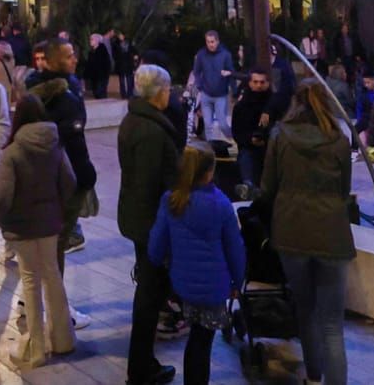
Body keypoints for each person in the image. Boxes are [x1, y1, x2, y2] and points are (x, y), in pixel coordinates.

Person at [259, 78, 355, 385]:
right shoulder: (339, 139)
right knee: (332, 324)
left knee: (307, 310)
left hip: (291, 231)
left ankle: (313, 377)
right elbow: (344, 190)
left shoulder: (280, 136)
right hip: (332, 234)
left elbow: (268, 187)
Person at [148, 144, 246, 385]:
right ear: (210, 172)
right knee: (202, 342)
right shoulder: (221, 204)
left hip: (183, 284)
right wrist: (237, 280)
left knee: (195, 338)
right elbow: (235, 249)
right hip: (214, 287)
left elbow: (155, 248)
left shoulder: (171, 200)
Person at [0, 94, 77, 370]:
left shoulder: (13, 152)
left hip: (22, 226)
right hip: (50, 223)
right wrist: (59, 210)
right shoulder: (55, 144)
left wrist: (1, 220)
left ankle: (37, 348)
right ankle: (63, 340)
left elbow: (3, 196)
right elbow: (70, 181)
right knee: (52, 275)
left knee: (30, 281)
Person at [118, 64, 181, 385]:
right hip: (150, 225)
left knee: (149, 291)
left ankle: (142, 363)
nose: (171, 95)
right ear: (158, 93)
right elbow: (150, 186)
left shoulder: (135, 120)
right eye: (169, 90)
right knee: (149, 295)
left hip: (138, 219)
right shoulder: (151, 132)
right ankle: (141, 367)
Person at [30, 40, 96, 269]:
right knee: (55, 241)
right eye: (68, 56)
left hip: (59, 174)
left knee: (53, 241)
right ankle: (51, 296)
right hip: (62, 175)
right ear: (52, 61)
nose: (75, 59)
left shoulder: (67, 87)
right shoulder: (58, 96)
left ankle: (43, 293)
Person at [229, 68, 279, 191]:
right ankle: (248, 186)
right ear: (250, 83)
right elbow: (237, 133)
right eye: (255, 82)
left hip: (272, 149)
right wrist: (251, 140)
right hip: (249, 148)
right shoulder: (241, 107)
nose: (259, 85)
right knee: (246, 158)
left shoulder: (275, 105)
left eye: (262, 82)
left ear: (267, 83)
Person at [190, 31, 234, 143]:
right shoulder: (201, 54)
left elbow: (231, 73)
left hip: (220, 94)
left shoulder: (225, 55)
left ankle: (234, 139)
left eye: (213, 42)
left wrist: (234, 91)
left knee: (223, 123)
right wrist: (199, 85)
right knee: (208, 124)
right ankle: (211, 149)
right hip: (206, 93)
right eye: (208, 42)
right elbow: (196, 72)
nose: (210, 44)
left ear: (217, 41)